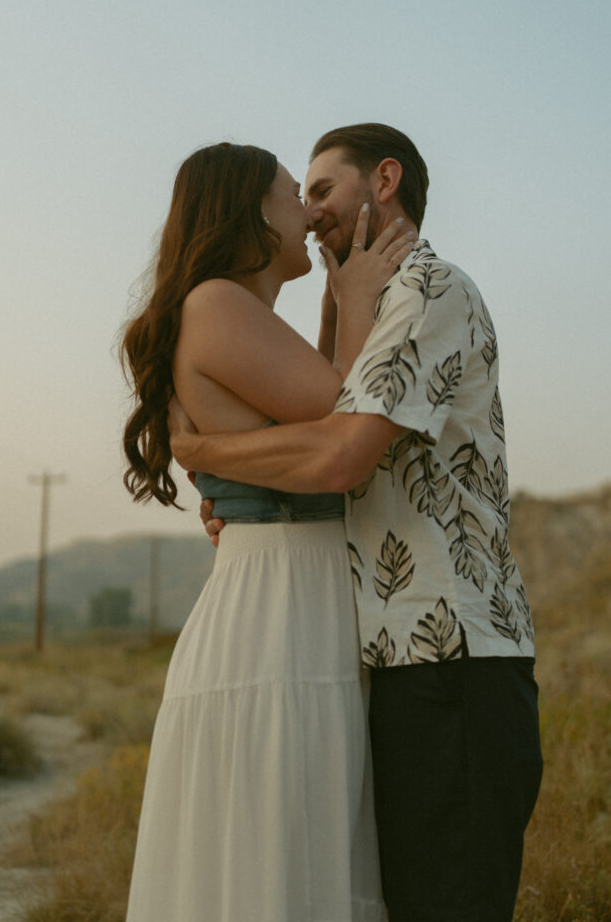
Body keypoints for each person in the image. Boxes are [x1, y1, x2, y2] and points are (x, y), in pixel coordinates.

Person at [169, 123, 544, 922]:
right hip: (394, 651)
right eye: (297, 197)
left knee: (448, 901)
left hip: (452, 654)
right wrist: (240, 498)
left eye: (321, 192)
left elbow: (340, 454)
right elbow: (322, 433)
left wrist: (208, 451)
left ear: (384, 181)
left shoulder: (425, 292)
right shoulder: (370, 312)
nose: (310, 216)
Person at [120, 141, 416, 922]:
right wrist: (352, 301)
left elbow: (315, 416)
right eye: (294, 193)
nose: (309, 210)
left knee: (299, 856)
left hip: (297, 595)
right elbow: (346, 421)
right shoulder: (216, 301)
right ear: (251, 210)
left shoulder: (236, 311)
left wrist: (329, 310)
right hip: (279, 609)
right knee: (283, 865)